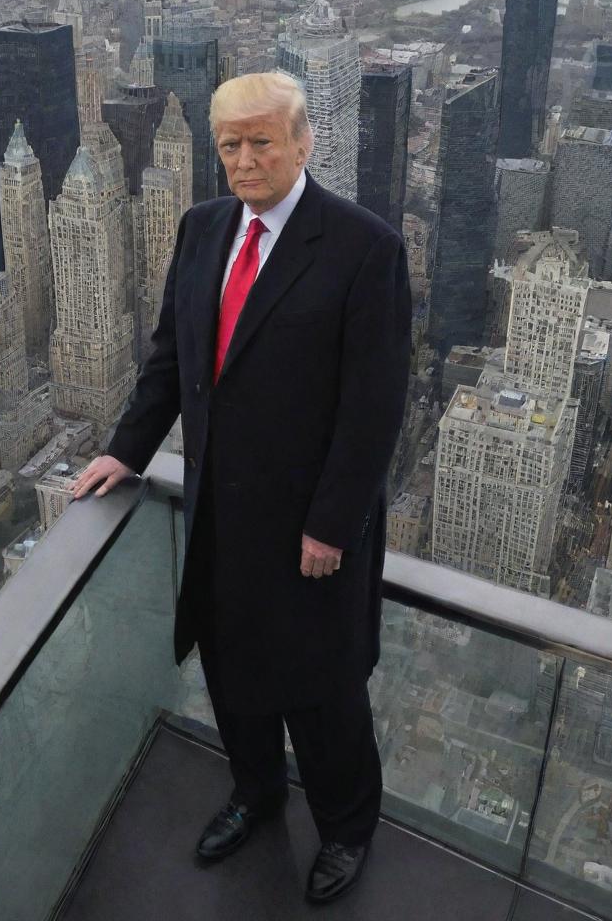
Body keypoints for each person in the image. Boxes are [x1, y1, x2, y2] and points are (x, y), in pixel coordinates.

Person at [72, 72, 412, 903]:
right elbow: (170, 359)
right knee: (232, 672)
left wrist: (331, 525)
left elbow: (374, 409)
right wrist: (128, 451)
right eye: (230, 144)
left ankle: (344, 828)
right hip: (220, 515)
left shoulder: (365, 249)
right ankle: (255, 793)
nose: (244, 158)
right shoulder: (201, 229)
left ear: (303, 142)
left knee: (324, 694)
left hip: (310, 530)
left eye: (262, 140)